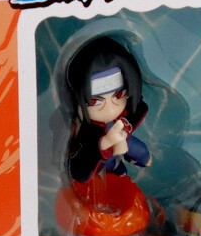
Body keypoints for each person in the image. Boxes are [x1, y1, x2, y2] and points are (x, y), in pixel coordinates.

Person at [64, 36, 151, 184]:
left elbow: (136, 112)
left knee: (136, 148)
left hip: (124, 136)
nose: (110, 109)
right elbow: (79, 169)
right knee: (109, 163)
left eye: (118, 95)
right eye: (95, 101)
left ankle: (140, 158)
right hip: (101, 150)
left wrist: (124, 137)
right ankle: (116, 168)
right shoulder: (86, 132)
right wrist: (104, 143)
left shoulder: (129, 111)